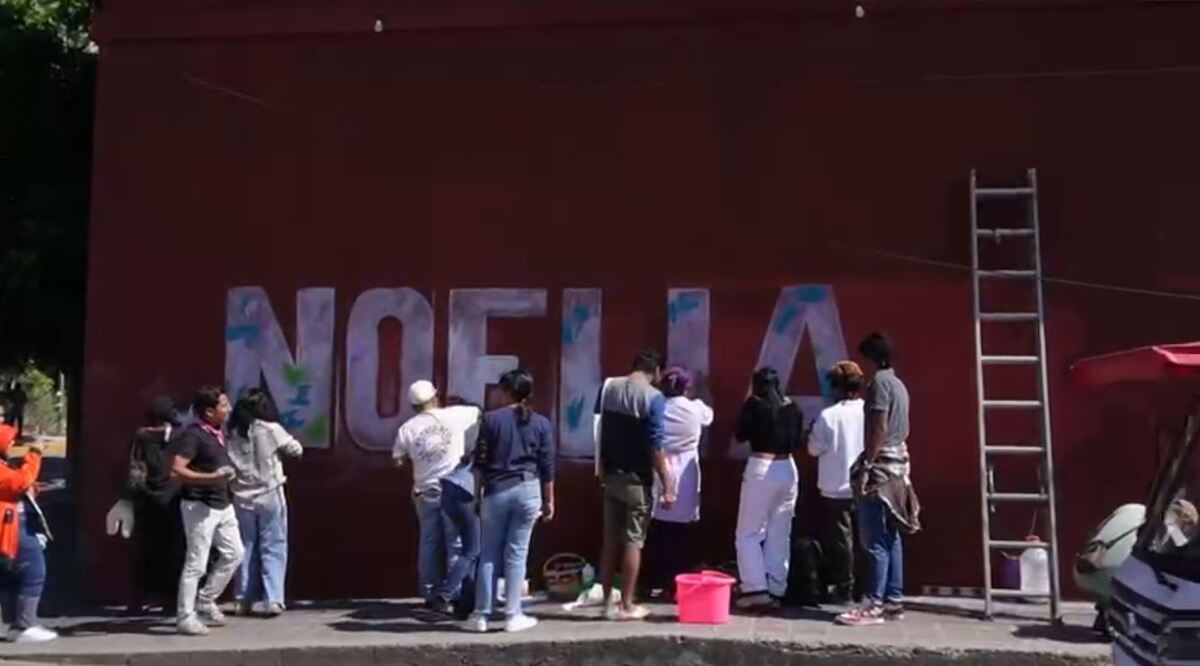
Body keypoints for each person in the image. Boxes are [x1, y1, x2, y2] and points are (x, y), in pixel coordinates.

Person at [837, 332, 920, 627]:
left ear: (871, 358)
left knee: (873, 540)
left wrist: (867, 466)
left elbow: (879, 428)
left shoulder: (879, 387)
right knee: (891, 537)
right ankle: (893, 601)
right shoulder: (899, 384)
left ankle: (872, 605)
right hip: (900, 468)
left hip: (882, 469)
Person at [466, 369, 555, 633]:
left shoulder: (491, 420)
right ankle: (513, 615)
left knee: (489, 553)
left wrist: (477, 495)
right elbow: (547, 466)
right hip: (528, 489)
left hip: (496, 490)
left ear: (506, 392)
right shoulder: (540, 423)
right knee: (517, 553)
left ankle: (481, 615)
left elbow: (480, 463)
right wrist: (550, 500)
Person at [594, 349, 676, 621]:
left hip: (610, 476)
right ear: (656, 371)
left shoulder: (607, 387)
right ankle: (627, 605)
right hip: (637, 480)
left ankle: (606, 603)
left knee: (609, 542)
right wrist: (668, 484)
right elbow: (656, 445)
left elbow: (598, 430)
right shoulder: (654, 398)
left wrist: (601, 468)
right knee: (633, 541)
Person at [393, 380, 483, 604]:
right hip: (452, 488)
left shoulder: (407, 428)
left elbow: (397, 459)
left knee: (429, 544)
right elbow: (479, 413)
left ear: (413, 407)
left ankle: (430, 593)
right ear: (435, 398)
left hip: (425, 491)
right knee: (456, 544)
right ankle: (453, 594)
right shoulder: (455, 415)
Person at [171, 386, 244, 636]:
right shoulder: (194, 436)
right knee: (196, 563)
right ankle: (185, 616)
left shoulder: (216, 433)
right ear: (209, 411)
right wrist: (211, 477)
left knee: (235, 553)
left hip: (223, 504)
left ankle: (205, 599)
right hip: (200, 506)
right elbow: (177, 470)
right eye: (224, 405)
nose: (229, 409)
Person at [227, 388, 303, 617]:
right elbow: (295, 449)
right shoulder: (270, 429)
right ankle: (273, 599)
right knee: (274, 546)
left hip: (241, 496)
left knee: (245, 548)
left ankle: (243, 598)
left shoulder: (230, 433)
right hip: (269, 493)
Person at [733, 367, 803, 610]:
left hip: (761, 466)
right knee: (779, 531)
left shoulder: (754, 406)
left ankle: (755, 588)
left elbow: (740, 435)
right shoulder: (792, 408)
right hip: (787, 468)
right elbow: (798, 440)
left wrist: (747, 403)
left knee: (748, 533)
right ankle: (776, 587)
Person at [643, 367, 713, 597]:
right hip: (686, 474)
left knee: (658, 529)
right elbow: (709, 417)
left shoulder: (655, 407)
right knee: (682, 532)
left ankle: (655, 581)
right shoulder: (696, 409)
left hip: (660, 469)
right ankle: (678, 583)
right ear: (686, 387)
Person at [807, 361, 866, 605]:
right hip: (864, 485)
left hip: (835, 486)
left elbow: (813, 449)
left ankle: (844, 587)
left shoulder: (828, 416)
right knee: (865, 540)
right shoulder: (868, 411)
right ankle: (866, 587)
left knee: (842, 543)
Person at [126, 396, 186, 614]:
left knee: (145, 551)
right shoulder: (180, 436)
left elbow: (135, 471)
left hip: (147, 501)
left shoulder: (141, 436)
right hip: (173, 500)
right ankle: (170, 601)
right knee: (173, 552)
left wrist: (133, 496)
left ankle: (138, 600)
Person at [0, 424, 55, 642]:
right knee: (33, 570)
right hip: (12, 527)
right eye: (9, 440)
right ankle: (25, 623)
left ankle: (14, 623)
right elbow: (20, 481)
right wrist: (35, 453)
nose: (13, 444)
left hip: (12, 524)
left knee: (10, 574)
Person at [432, 396, 483, 618]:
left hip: (449, 487)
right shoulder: (484, 437)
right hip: (466, 492)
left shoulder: (462, 437)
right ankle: (445, 595)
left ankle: (465, 601)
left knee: (459, 548)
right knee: (473, 550)